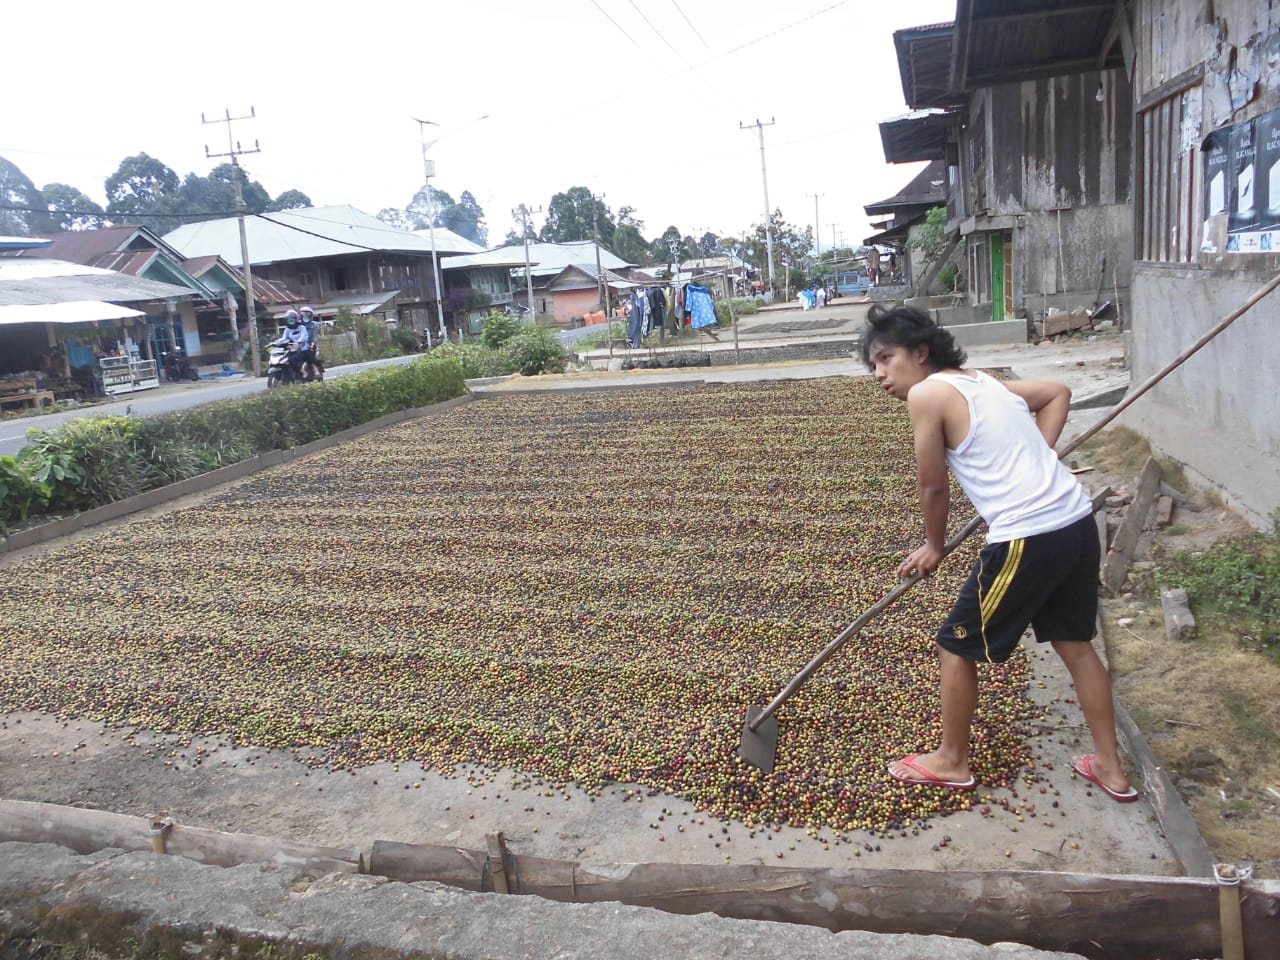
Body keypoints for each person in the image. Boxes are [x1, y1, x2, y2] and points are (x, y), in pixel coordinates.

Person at [860, 303, 1137, 802]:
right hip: (1074, 522)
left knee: (954, 645)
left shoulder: (927, 393)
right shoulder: (982, 382)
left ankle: (951, 760)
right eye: (873, 365)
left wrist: (934, 546)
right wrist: (1040, 461)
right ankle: (1111, 769)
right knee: (1076, 646)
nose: (879, 374)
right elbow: (1057, 393)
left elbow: (933, 487)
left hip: (1029, 534)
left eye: (885, 359)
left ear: (920, 353)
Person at [274, 310, 310, 381]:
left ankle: (303, 372)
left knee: (292, 359)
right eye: (289, 320)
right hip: (292, 350)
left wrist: (299, 341)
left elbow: (304, 337)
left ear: (297, 319)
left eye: (292, 320)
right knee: (281, 360)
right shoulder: (287, 329)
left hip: (303, 350)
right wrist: (276, 342)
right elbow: (284, 338)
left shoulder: (302, 327)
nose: (290, 322)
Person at [299, 306, 325, 381]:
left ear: (311, 315)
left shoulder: (314, 325)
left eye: (307, 314)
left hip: (310, 344)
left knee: (310, 357)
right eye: (303, 314)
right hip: (299, 345)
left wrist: (313, 343)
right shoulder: (299, 325)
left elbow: (314, 336)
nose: (305, 316)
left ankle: (316, 371)